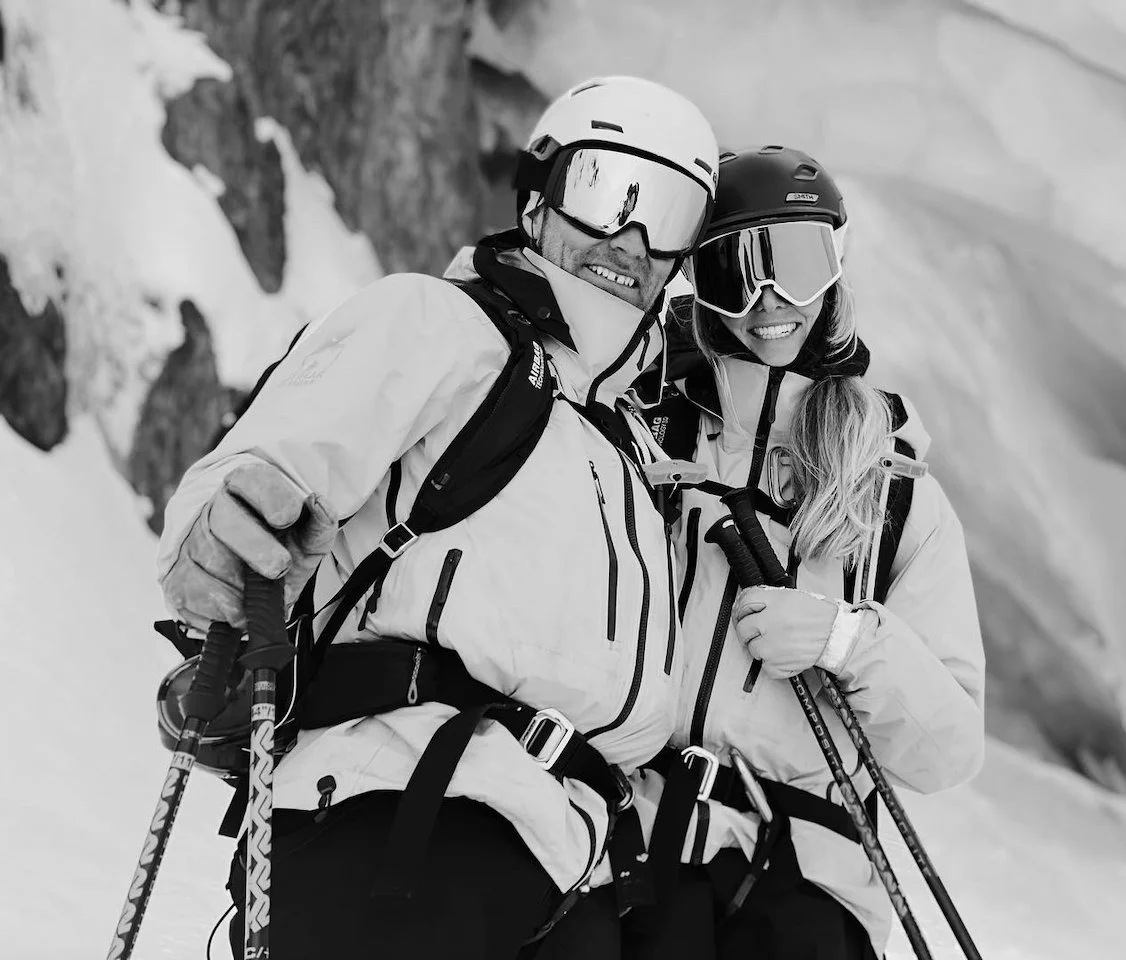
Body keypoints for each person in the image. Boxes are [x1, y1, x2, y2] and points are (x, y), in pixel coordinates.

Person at [155, 76, 720, 960]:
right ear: (537, 204)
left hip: (575, 875)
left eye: (671, 215)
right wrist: (232, 528)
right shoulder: (442, 326)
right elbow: (270, 462)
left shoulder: (633, 461)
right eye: (606, 194)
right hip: (402, 818)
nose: (632, 239)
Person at [610, 145, 987, 959]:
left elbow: (948, 749)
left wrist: (844, 638)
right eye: (733, 272)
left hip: (808, 877)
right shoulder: (650, 436)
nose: (768, 300)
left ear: (838, 268)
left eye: (797, 263)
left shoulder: (895, 497)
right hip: (631, 838)